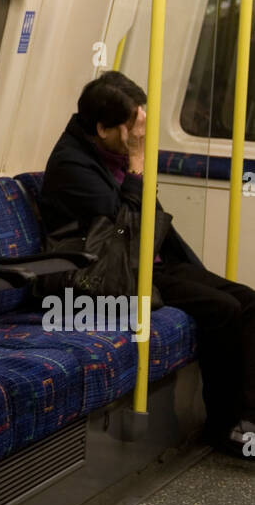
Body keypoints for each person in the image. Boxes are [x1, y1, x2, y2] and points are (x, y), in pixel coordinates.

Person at [40, 70, 255, 459]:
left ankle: (250, 419)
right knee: (223, 311)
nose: (138, 136)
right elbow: (130, 235)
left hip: (149, 261)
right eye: (131, 128)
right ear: (103, 129)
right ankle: (223, 426)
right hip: (112, 275)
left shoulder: (108, 150)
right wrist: (138, 161)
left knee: (248, 300)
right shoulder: (72, 168)